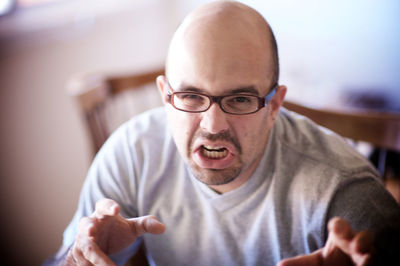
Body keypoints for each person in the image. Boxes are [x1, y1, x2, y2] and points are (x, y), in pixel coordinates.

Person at [47, 1, 400, 265]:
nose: (213, 125)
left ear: (275, 105)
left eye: (241, 99)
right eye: (189, 96)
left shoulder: (342, 194)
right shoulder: (131, 154)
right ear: (165, 97)